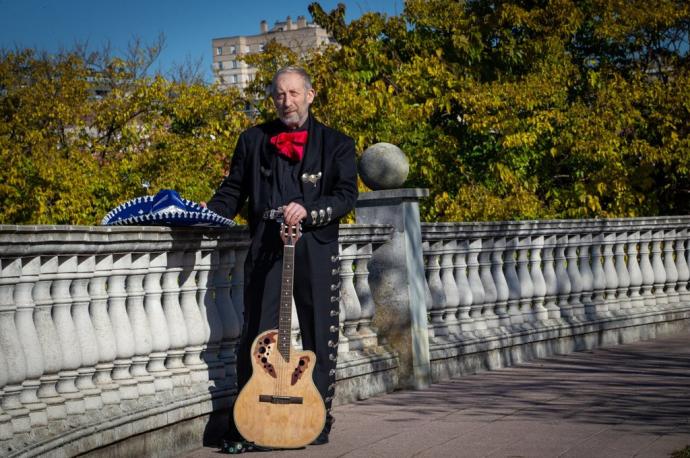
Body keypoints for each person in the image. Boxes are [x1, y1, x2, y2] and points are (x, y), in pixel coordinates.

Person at [206, 66, 358, 447]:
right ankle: (248, 426)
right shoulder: (252, 140)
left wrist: (310, 210)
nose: (285, 101)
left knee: (318, 335)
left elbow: (345, 195)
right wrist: (202, 217)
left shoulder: (337, 143)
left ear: (310, 94)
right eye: (278, 94)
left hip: (315, 248)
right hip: (267, 248)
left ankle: (317, 418)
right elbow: (232, 191)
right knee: (257, 335)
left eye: (293, 93)